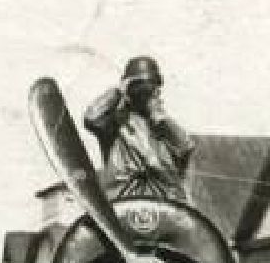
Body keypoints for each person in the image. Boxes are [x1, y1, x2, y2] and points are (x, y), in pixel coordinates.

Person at [81, 55, 195, 202]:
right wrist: (118, 91)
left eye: (150, 86)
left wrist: (160, 118)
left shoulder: (162, 124)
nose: (144, 91)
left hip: (162, 202)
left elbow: (185, 147)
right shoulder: (114, 122)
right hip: (125, 198)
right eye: (139, 86)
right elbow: (92, 117)